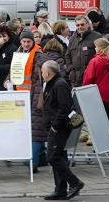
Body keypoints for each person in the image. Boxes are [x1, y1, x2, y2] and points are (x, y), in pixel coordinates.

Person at [41, 60, 85, 200]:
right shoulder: (52, 83)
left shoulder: (59, 84)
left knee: (52, 157)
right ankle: (60, 190)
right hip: (54, 126)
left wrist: (55, 125)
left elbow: (64, 107)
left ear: (48, 73)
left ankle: (75, 182)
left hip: (59, 127)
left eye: (42, 71)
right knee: (59, 156)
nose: (42, 74)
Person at [7, 30, 47, 172]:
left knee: (36, 131)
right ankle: (36, 158)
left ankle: (33, 162)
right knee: (30, 130)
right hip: (20, 98)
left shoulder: (38, 55)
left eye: (28, 42)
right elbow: (13, 72)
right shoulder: (19, 54)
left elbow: (47, 66)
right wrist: (7, 80)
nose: (25, 44)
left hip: (33, 97)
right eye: (23, 41)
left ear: (33, 42)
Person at [82, 38, 109, 128]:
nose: (95, 49)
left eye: (96, 47)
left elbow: (88, 79)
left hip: (97, 94)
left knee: (98, 120)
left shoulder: (94, 61)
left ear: (100, 48)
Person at [65, 15, 102, 88]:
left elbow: (102, 54)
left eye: (82, 24)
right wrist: (70, 69)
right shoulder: (73, 38)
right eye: (77, 25)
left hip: (90, 78)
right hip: (75, 79)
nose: (80, 27)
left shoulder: (97, 37)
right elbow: (67, 55)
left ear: (87, 24)